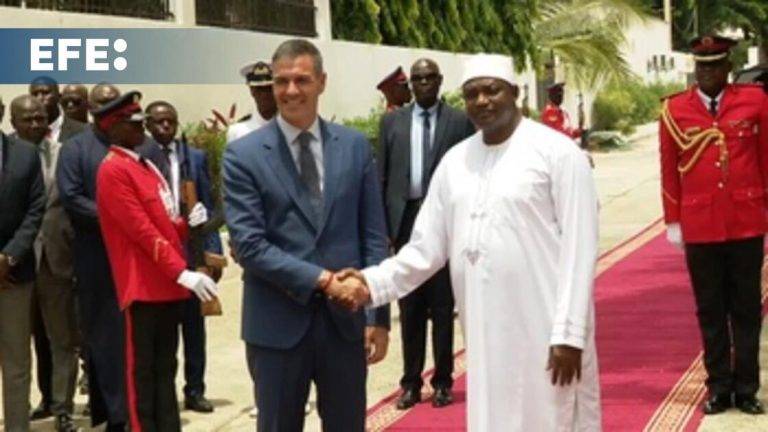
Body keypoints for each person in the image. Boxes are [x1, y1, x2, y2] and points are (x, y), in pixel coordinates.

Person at [335, 54, 602, 431]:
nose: (481, 101)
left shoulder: (558, 154)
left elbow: (581, 248)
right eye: (472, 94)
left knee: (553, 418)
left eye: (491, 90)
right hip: (485, 330)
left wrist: (570, 333)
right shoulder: (455, 163)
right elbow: (425, 249)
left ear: (515, 93)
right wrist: (369, 283)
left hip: (547, 330)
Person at [223, 38, 390, 432]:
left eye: (302, 80)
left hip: (345, 327)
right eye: (282, 82)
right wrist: (325, 281)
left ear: (322, 82)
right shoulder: (243, 155)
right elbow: (248, 245)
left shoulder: (353, 147)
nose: (291, 91)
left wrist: (378, 315)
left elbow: (373, 236)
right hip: (276, 327)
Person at [95, 91, 217, 432]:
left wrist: (186, 222)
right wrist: (183, 273)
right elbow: (142, 232)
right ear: (114, 128)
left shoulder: (145, 165)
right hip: (143, 286)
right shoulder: (113, 170)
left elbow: (163, 219)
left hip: (167, 286)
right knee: (142, 375)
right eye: (134, 124)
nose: (142, 129)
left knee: (165, 369)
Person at [660, 35, 768, 415]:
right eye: (701, 66)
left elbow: (766, 157)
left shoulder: (755, 101)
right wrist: (673, 219)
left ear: (727, 68)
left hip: (746, 222)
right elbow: (669, 169)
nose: (707, 73)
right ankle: (719, 387)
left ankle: (747, 388)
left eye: (714, 65)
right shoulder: (675, 110)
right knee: (709, 310)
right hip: (701, 224)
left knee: (747, 309)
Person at [378, 58, 474, 409]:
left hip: (446, 223)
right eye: (417, 78)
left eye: (429, 78)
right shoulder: (392, 122)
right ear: (411, 83)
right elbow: (383, 178)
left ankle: (444, 381)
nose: (423, 84)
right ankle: (410, 383)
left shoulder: (460, 122)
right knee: (411, 307)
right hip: (405, 222)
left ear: (440, 81)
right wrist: (384, 231)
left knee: (442, 305)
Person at [56, 83, 129, 431]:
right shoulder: (75, 149)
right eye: (102, 103)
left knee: (133, 338)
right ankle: (110, 412)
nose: (110, 108)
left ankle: (130, 409)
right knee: (102, 337)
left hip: (134, 256)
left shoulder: (133, 143)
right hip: (95, 257)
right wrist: (117, 217)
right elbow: (72, 198)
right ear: (92, 108)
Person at [144, 100, 223, 413]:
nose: (165, 127)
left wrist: (207, 224)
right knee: (163, 333)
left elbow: (217, 205)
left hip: (191, 252)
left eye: (171, 122)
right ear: (148, 125)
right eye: (159, 122)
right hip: (159, 254)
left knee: (194, 328)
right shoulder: (142, 158)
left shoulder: (195, 157)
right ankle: (164, 393)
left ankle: (195, 389)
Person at [11, 95, 80, 432]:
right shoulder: (5, 154)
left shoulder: (64, 154)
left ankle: (63, 408)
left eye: (41, 118)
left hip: (57, 260)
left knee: (62, 338)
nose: (36, 124)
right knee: (19, 342)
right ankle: (27, 406)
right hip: (14, 265)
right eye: (29, 119)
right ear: (14, 123)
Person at [28, 77, 86, 421]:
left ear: (57, 97)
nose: (40, 99)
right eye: (34, 93)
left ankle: (64, 408)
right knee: (37, 335)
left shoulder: (79, 135)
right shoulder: (16, 142)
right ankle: (47, 399)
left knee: (64, 335)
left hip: (63, 254)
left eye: (45, 92)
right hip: (23, 258)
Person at [0, 95, 46, 432]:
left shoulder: (25, 154)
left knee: (16, 363)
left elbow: (36, 209)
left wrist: (8, 256)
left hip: (14, 275)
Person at [227, 61, 278, 143]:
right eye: (259, 89)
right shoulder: (237, 133)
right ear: (252, 91)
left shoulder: (291, 129)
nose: (264, 94)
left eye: (269, 89)